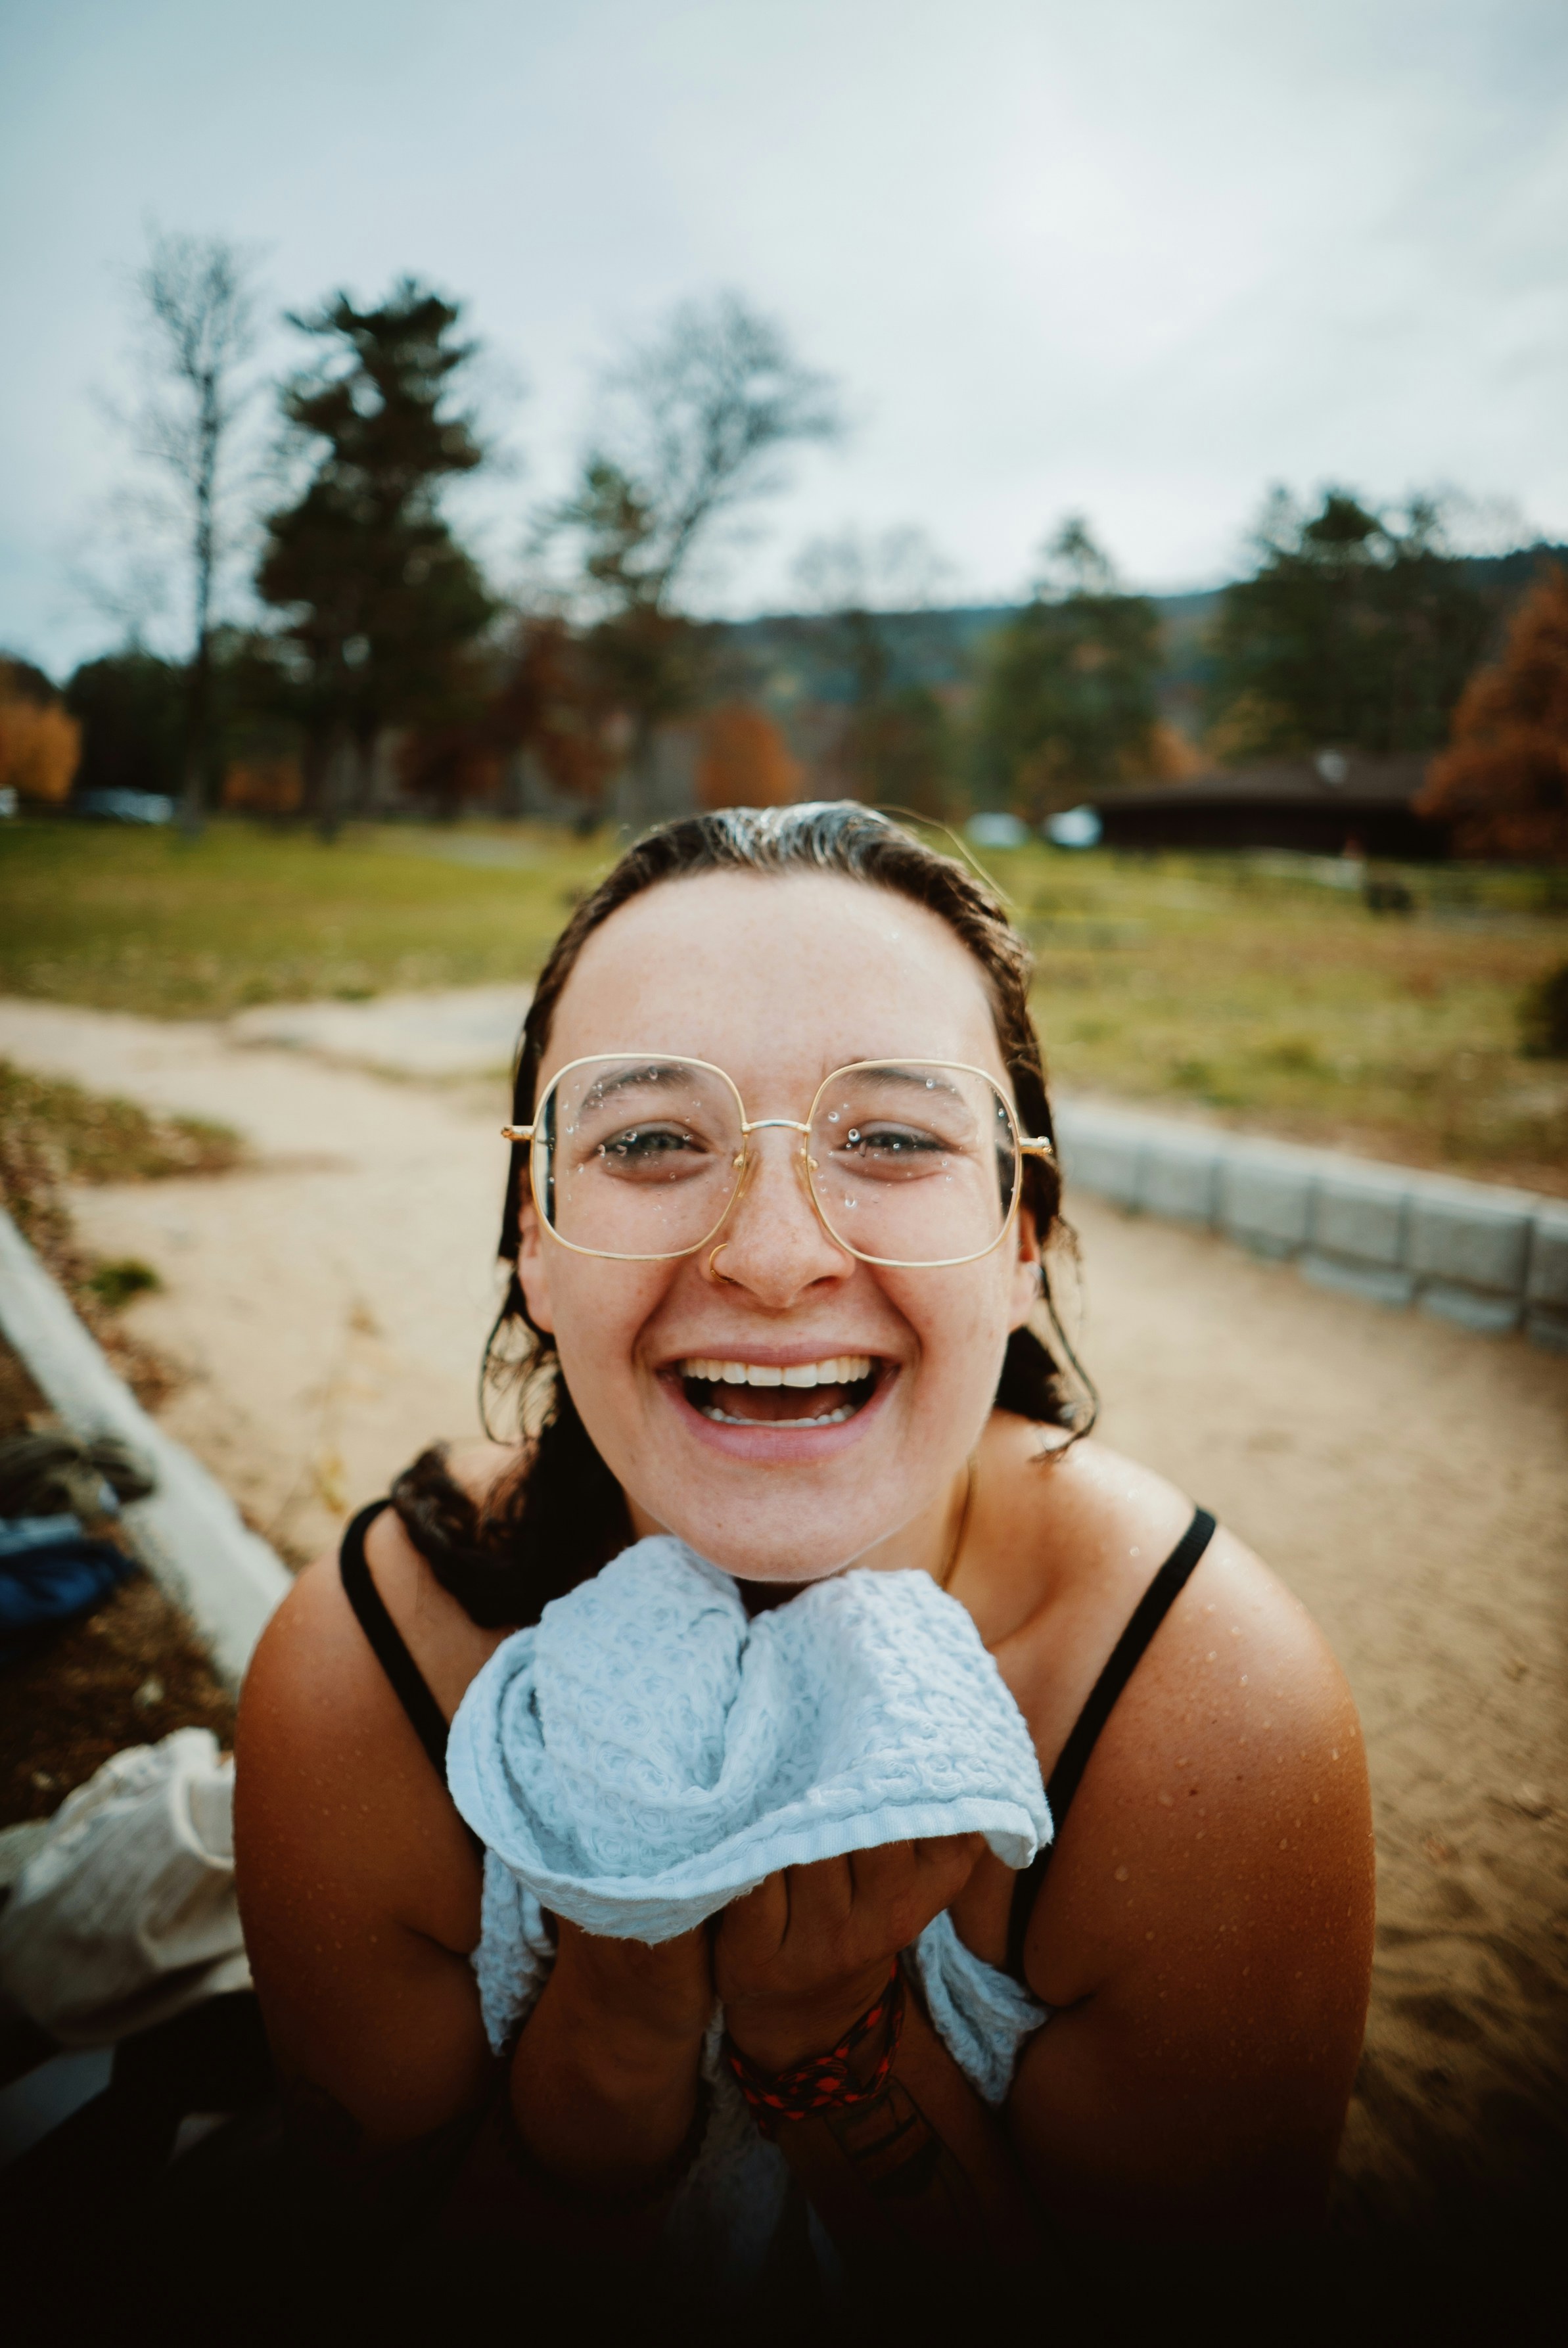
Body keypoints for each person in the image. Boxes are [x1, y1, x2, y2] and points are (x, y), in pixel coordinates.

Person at [234, 804, 1373, 2295]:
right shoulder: (371, 1674)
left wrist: (828, 2039)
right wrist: (619, 2014)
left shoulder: (1209, 1728)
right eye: (647, 1138)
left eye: (893, 1137)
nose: (773, 1256)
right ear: (536, 1227)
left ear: (1020, 1226)